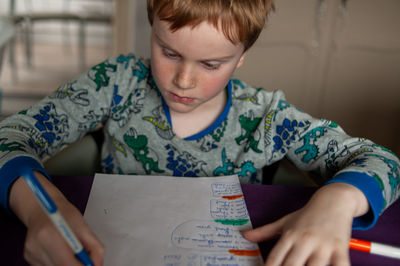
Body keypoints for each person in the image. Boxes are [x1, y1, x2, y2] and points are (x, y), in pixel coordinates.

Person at [0, 0, 399, 265]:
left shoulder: (266, 117)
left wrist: (336, 202)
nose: (184, 80)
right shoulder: (116, 82)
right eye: (169, 52)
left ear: (240, 58)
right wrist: (38, 209)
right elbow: (10, 136)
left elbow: (383, 161)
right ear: (151, 29)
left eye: (211, 64)